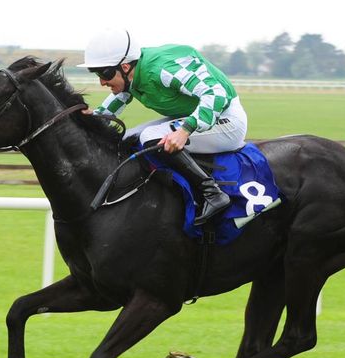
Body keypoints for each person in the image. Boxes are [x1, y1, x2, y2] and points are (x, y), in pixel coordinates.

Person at [78, 29, 248, 225]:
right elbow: (122, 95)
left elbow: (216, 94)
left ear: (125, 67)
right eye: (97, 74)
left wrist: (185, 130)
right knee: (129, 137)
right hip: (195, 115)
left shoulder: (161, 70)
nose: (101, 82)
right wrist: (96, 117)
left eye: (104, 73)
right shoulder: (135, 71)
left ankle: (212, 193)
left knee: (150, 136)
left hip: (227, 119)